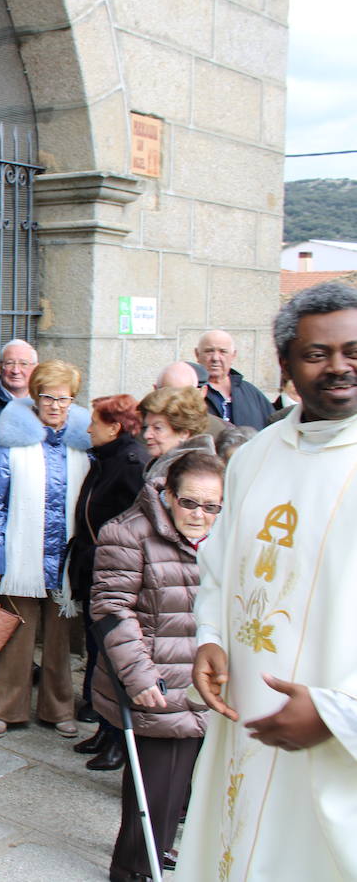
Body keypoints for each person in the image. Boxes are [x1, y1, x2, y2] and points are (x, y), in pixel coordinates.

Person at [179, 282, 357, 880]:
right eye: (317, 354)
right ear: (284, 364)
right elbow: (219, 565)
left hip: (333, 747)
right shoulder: (254, 458)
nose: (339, 367)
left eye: (353, 351)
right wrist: (210, 634)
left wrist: (338, 714)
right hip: (247, 725)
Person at [92, 452, 222, 882]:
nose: (200, 515)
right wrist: (141, 677)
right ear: (167, 493)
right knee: (156, 797)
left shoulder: (226, 537)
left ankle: (157, 854)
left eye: (211, 507)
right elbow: (111, 609)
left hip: (208, 689)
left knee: (187, 795)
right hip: (160, 686)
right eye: (190, 503)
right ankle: (134, 870)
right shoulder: (127, 533)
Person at [0, 359, 90, 741]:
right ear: (35, 397)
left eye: (65, 398)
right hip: (21, 556)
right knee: (15, 636)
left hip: (66, 558)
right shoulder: (13, 441)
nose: (56, 406)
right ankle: (6, 708)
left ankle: (59, 707)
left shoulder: (83, 444)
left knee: (60, 641)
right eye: (48, 397)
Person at [64, 394, 148, 766]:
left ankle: (118, 741)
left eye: (94, 422)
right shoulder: (106, 457)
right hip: (94, 569)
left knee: (113, 658)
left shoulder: (129, 464)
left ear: (114, 427)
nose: (87, 428)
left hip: (113, 573)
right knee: (98, 656)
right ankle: (104, 730)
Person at [194, 329, 273, 430]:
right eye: (209, 351)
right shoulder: (189, 392)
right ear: (197, 354)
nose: (215, 358)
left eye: (223, 352)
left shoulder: (252, 394)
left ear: (233, 355)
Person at [138, 386, 215, 481]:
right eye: (146, 427)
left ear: (184, 433)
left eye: (157, 428)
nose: (147, 435)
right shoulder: (167, 467)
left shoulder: (191, 473)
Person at [155, 360, 228, 440]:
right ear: (155, 390)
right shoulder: (142, 427)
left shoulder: (221, 432)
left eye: (184, 395)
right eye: (169, 394)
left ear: (201, 393)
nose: (176, 403)